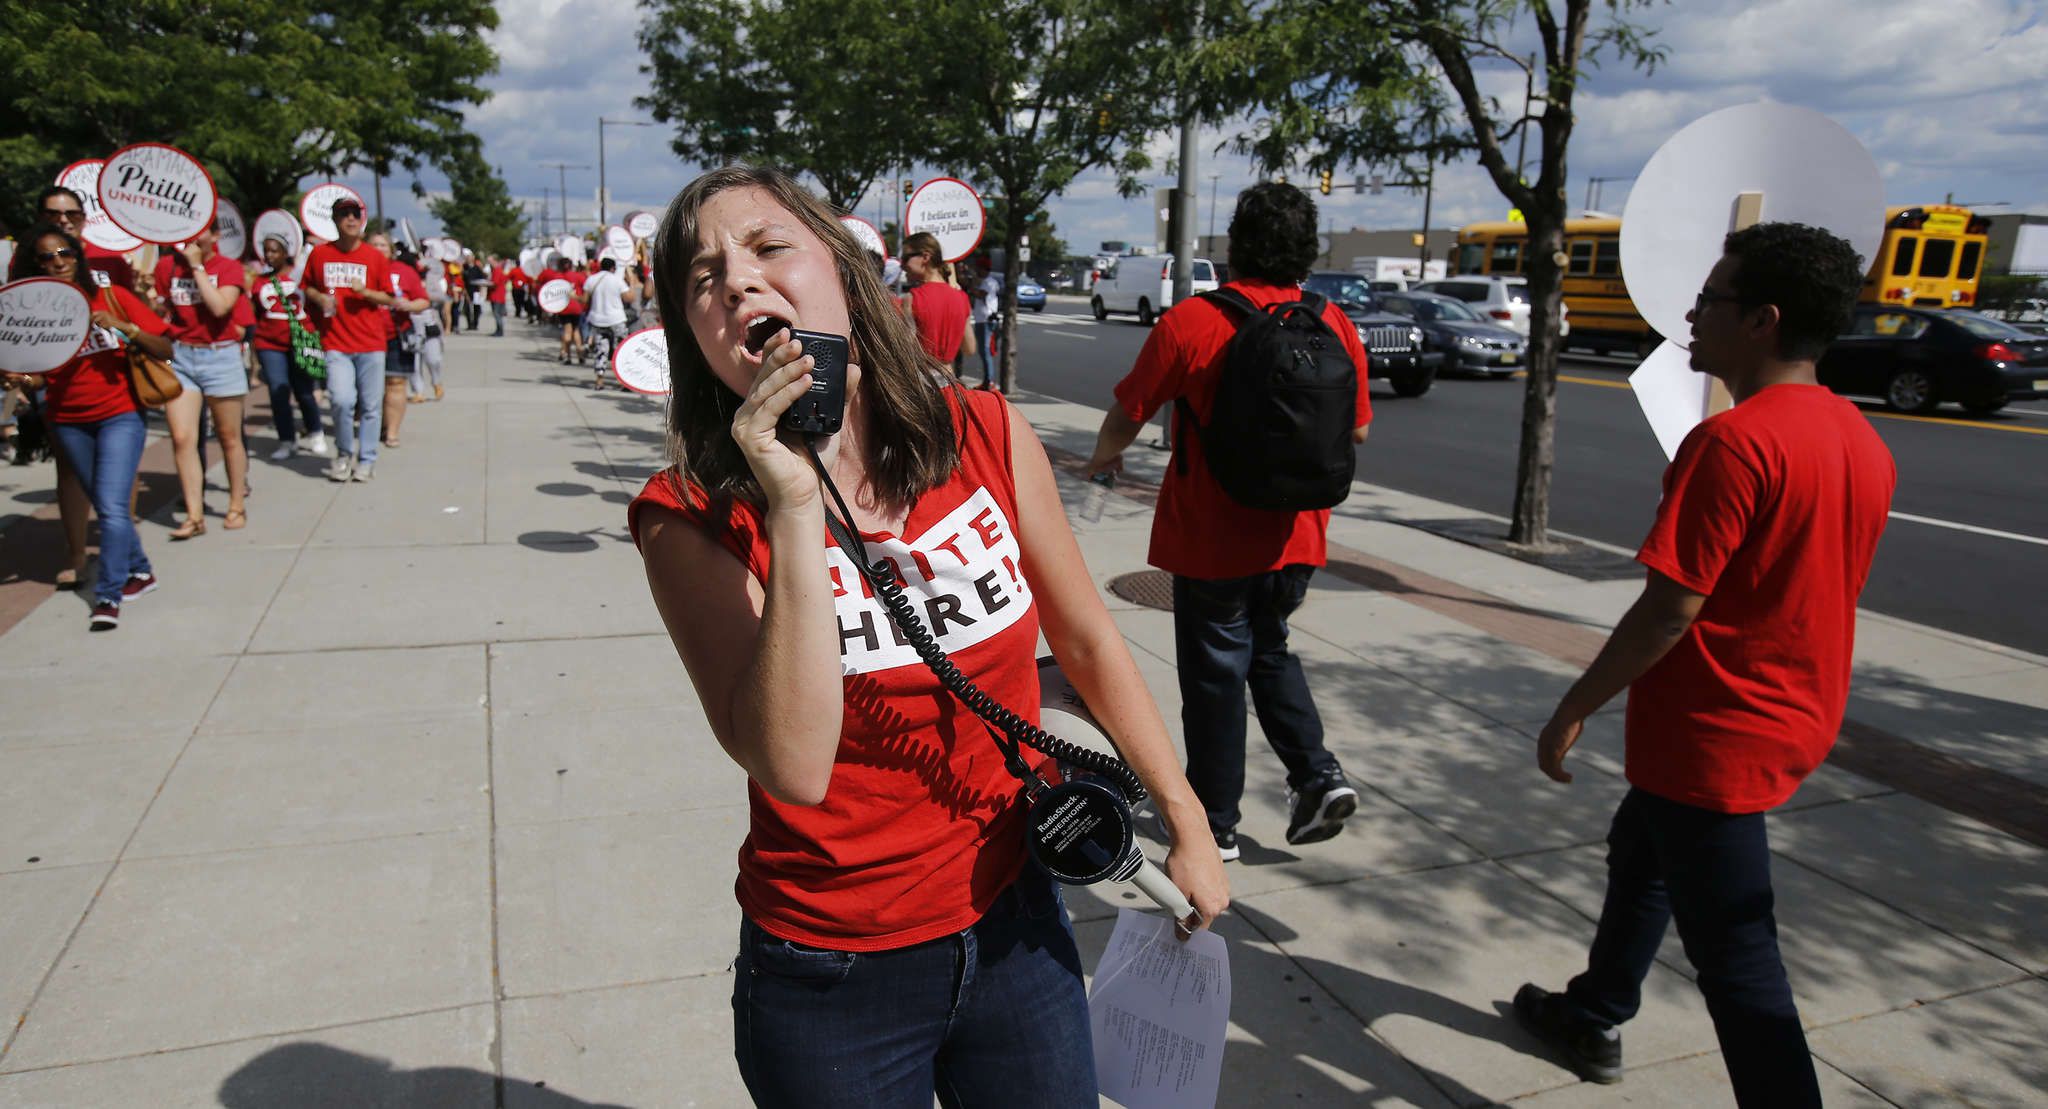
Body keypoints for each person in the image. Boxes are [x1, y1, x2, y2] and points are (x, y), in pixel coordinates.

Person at [629, 165, 1228, 1107]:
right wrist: (793, 499)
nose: (735, 280)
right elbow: (792, 763)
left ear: (843, 273)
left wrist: (1186, 820)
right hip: (833, 976)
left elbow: (1088, 639)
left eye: (767, 247)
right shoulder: (687, 516)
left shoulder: (983, 429)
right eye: (701, 277)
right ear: (696, 335)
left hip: (1015, 918)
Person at [1514, 224, 1895, 1106]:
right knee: (1641, 852)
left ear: (1763, 320)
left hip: (1716, 738)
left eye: (1712, 299)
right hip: (1789, 714)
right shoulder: (1857, 437)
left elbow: (1669, 609)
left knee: (1738, 960)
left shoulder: (1733, 443)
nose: (1692, 312)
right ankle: (1595, 1010)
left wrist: (1574, 704)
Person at [1085, 182, 1369, 860]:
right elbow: (1356, 432)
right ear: (1307, 247)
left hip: (1211, 537)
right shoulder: (1334, 322)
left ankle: (1215, 823)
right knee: (1269, 649)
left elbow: (1131, 409)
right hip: (1296, 537)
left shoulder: (1194, 321)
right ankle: (1316, 774)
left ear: (1238, 242)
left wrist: (1102, 460)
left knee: (1215, 678)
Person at [4, 224, 171, 629]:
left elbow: (165, 349)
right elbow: (44, 377)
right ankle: (141, 571)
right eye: (47, 256)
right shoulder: (34, 315)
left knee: (113, 508)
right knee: (105, 503)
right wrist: (22, 380)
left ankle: (107, 596)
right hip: (67, 421)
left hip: (120, 414)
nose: (58, 261)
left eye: (65, 252)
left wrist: (123, 326)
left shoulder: (111, 295)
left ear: (78, 256)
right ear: (36, 264)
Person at [155, 215, 250, 538]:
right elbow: (163, 311)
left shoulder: (229, 267)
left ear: (215, 235)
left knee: (229, 437)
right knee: (183, 437)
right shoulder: (166, 266)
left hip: (220, 355)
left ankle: (236, 503)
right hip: (181, 356)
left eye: (200, 234)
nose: (192, 241)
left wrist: (196, 268)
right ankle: (194, 515)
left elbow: (220, 307)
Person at [301, 198, 401, 482]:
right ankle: (344, 452)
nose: (350, 219)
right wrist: (319, 297)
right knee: (342, 401)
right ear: (334, 220)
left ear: (361, 220)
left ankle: (367, 459)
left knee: (370, 406)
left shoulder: (374, 257)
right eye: (344, 214)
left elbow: (390, 298)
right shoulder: (320, 254)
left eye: (355, 214)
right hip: (336, 342)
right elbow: (306, 287)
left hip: (370, 343)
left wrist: (367, 292)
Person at [246, 233, 329, 460]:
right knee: (278, 390)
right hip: (269, 343)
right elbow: (254, 313)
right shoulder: (259, 282)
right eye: (267, 251)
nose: (270, 256)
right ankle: (287, 440)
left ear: (286, 252)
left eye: (275, 251)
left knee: (304, 390)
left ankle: (315, 431)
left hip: (300, 342)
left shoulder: (299, 278)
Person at [370, 234, 430, 448]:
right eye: (374, 244)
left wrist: (409, 305)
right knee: (369, 387)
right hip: (364, 336)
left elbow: (423, 300)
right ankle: (376, 424)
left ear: (391, 248)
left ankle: (391, 431)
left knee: (395, 383)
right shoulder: (360, 270)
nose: (378, 248)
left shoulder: (404, 272)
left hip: (396, 333)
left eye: (383, 245)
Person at [899, 232, 974, 374]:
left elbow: (905, 348)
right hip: (949, 380)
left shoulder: (912, 298)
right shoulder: (961, 297)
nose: (902, 265)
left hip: (922, 379)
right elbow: (969, 348)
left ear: (925, 257)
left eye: (905, 258)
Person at [580, 256, 639, 387]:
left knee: (601, 349)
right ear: (613, 268)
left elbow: (584, 300)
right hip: (616, 319)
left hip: (597, 320)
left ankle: (599, 380)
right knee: (621, 349)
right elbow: (630, 298)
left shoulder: (591, 279)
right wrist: (632, 285)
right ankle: (624, 382)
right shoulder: (617, 281)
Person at [408, 253, 448, 403]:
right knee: (414, 361)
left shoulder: (432, 281)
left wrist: (425, 296)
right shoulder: (407, 280)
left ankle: (437, 381)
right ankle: (418, 391)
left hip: (430, 323)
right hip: (412, 323)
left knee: (433, 359)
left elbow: (441, 298)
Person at [552, 256, 587, 364]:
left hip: (563, 307)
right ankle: (580, 354)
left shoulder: (557, 277)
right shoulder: (578, 276)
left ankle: (567, 355)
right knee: (576, 331)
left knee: (567, 331)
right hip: (576, 307)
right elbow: (586, 287)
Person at [487, 254, 510, 336]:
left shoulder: (497, 270)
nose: (489, 263)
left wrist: (486, 283)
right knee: (498, 314)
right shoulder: (499, 269)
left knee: (497, 314)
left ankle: (500, 331)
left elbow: (495, 283)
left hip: (496, 295)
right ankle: (498, 330)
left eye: (490, 261)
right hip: (499, 295)